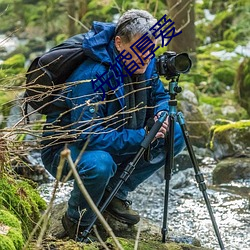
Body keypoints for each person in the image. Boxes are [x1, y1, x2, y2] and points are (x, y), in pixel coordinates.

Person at [41, 9, 185, 241]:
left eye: (151, 52)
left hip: (117, 136)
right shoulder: (92, 75)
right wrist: (142, 136)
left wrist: (161, 114)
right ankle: (76, 221)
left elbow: (159, 96)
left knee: (175, 132)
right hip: (67, 150)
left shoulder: (144, 60)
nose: (147, 59)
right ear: (119, 43)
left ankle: (115, 193)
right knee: (100, 164)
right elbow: (87, 136)